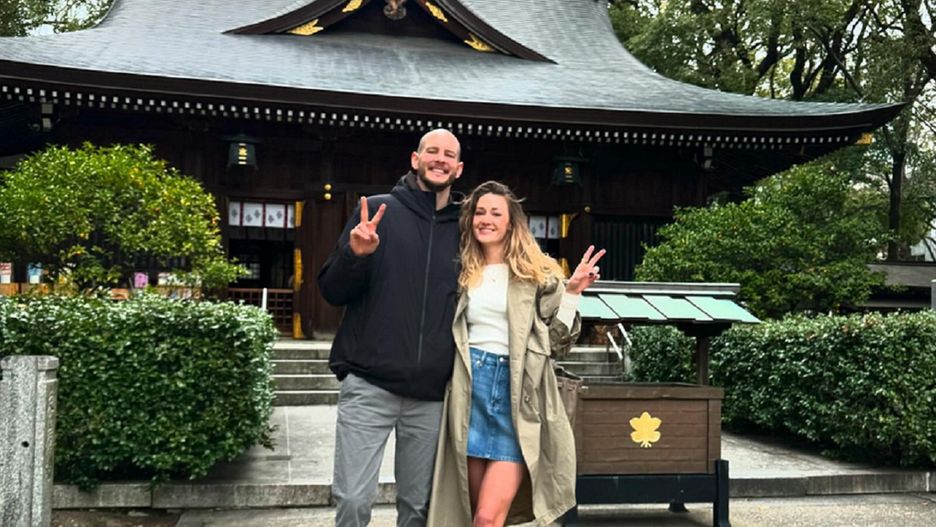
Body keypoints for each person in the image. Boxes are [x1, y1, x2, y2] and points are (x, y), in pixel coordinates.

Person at [427, 181, 605, 527]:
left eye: (496, 213)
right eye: (480, 212)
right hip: (470, 391)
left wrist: (571, 292)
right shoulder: (461, 271)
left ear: (511, 223)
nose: (486, 219)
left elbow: (557, 343)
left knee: (487, 518)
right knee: (472, 511)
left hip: (516, 395)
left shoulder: (536, 273)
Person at [318, 129, 464, 527]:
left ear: (458, 168)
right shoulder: (378, 211)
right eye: (432, 151)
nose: (440, 159)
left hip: (431, 395)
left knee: (418, 508)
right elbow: (332, 291)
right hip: (370, 384)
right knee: (353, 500)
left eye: (448, 154)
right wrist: (355, 255)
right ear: (415, 160)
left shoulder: (465, 228)